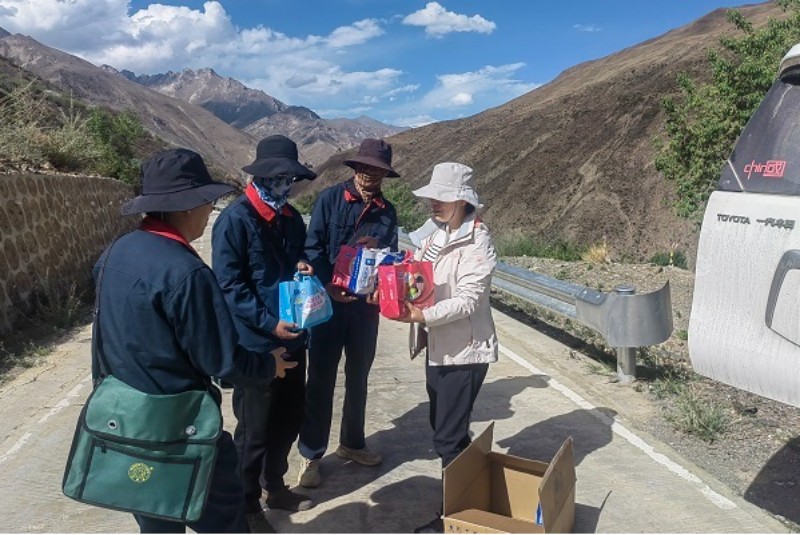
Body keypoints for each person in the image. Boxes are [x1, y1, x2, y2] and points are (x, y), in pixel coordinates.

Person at [92, 147, 297, 534]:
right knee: (224, 520)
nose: (209, 210)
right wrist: (268, 365)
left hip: (129, 423)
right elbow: (222, 361)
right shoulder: (186, 273)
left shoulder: (113, 254)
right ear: (187, 207)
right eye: (207, 201)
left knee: (156, 520)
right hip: (182, 427)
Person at [212, 135, 316, 523]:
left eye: (290, 178)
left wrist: (303, 265)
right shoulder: (235, 221)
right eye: (278, 177)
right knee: (254, 430)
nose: (285, 184)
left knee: (289, 418)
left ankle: (276, 485)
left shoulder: (290, 219)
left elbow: (296, 261)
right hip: (256, 346)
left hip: (294, 341)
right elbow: (229, 285)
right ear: (261, 176)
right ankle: (247, 503)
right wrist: (269, 323)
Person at [390, 162, 498, 534]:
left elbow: (468, 301)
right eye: (433, 197)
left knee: (448, 437)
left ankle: (452, 517)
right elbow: (420, 275)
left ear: (463, 201)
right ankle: (473, 493)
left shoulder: (478, 242)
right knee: (447, 428)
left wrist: (422, 315)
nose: (434, 203)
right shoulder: (436, 234)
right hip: (439, 346)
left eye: (443, 197)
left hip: (465, 351)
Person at [297, 138, 400, 487]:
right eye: (365, 167)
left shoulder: (388, 212)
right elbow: (313, 248)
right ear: (355, 168)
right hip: (329, 307)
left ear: (384, 174)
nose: (370, 174)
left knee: (359, 377)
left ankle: (352, 443)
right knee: (320, 380)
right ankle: (311, 455)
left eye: (377, 170)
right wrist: (328, 285)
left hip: (364, 312)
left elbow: (391, 259)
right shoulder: (330, 200)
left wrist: (380, 250)